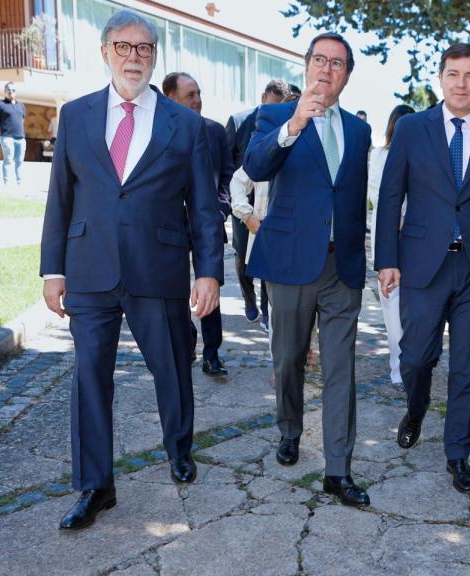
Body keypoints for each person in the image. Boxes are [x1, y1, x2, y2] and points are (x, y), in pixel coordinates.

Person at [39, 10, 222, 530]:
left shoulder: (186, 124)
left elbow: (203, 207)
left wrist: (208, 272)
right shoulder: (75, 115)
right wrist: (52, 270)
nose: (133, 57)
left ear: (154, 57)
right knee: (89, 380)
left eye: (144, 48)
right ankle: (96, 486)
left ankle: (179, 448)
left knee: (172, 368)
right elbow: (60, 197)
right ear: (105, 52)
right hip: (89, 268)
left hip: (158, 267)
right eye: (123, 46)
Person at [375, 43, 470, 495]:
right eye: (453, 74)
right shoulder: (412, 129)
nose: (461, 83)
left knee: (468, 367)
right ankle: (416, 408)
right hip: (422, 265)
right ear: (440, 78)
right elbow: (391, 196)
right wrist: (386, 260)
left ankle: (458, 454)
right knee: (416, 357)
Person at [243, 31, 372, 508]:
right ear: (307, 65)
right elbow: (255, 166)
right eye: (320, 60)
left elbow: (351, 197)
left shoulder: (358, 131)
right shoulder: (275, 116)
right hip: (290, 263)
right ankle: (290, 430)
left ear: (347, 75)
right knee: (289, 359)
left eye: (338, 63)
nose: (327, 69)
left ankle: (338, 469)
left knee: (341, 369)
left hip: (342, 266)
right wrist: (295, 123)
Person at [163, 71, 234, 377]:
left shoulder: (215, 131)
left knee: (209, 286)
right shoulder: (158, 130)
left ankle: (212, 353)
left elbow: (228, 175)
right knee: (174, 289)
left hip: (208, 225)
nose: (197, 100)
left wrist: (220, 209)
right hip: (170, 227)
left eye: (199, 93)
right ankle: (186, 340)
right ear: (170, 98)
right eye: (190, 95)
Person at [225, 79, 290, 325]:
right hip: (245, 201)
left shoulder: (286, 129)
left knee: (268, 262)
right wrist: (240, 209)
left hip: (272, 206)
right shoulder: (239, 121)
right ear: (263, 98)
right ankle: (249, 298)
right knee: (243, 254)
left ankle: (266, 310)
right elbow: (230, 168)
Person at [367, 104, 415, 387]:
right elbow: (377, 194)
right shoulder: (380, 155)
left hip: (415, 238)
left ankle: (415, 362)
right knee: (392, 306)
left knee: (415, 307)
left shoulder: (424, 155)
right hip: (387, 238)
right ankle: (399, 368)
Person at [0, 82, 26, 188]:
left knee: (19, 161)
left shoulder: (21, 105)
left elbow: (22, 120)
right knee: (8, 160)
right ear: (5, 92)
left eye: (13, 90)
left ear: (16, 92)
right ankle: (7, 183)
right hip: (7, 137)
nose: (11, 92)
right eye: (9, 90)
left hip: (20, 138)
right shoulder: (0, 105)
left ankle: (19, 183)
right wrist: (0, 132)